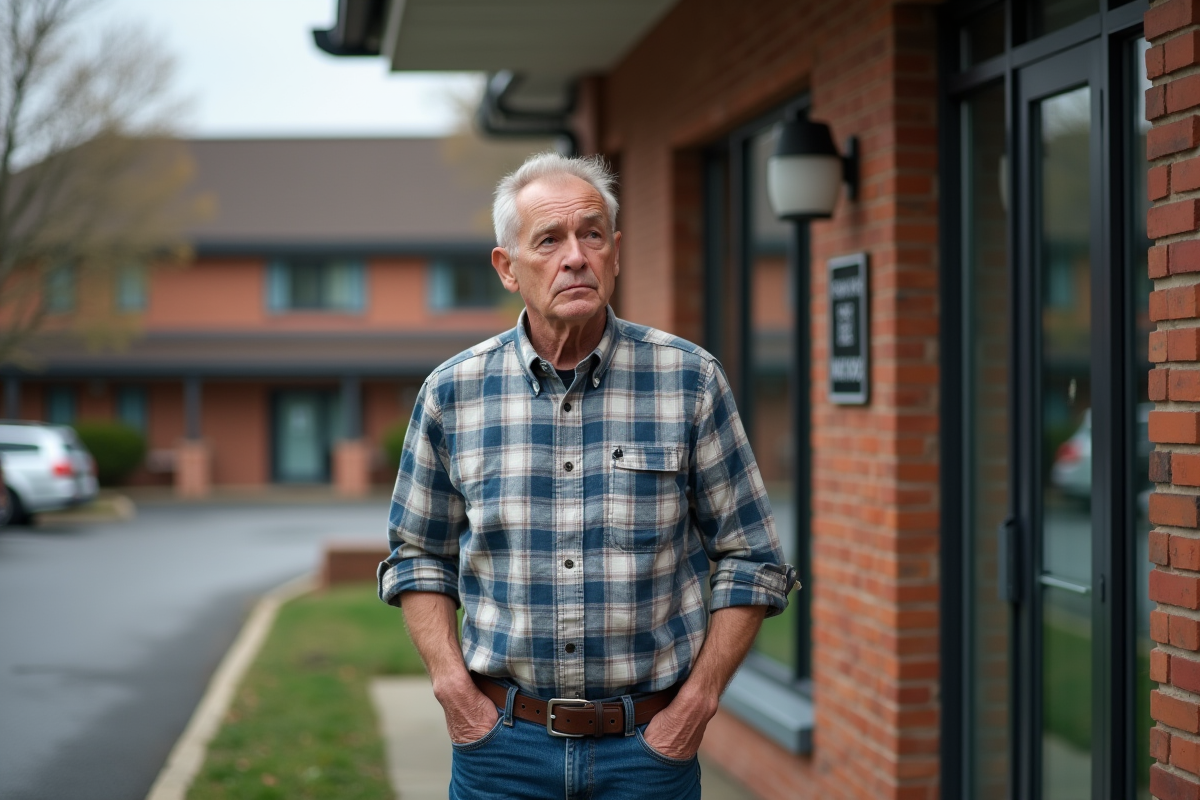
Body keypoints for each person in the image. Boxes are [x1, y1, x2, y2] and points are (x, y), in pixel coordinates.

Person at [379, 152, 797, 799]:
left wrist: (699, 703)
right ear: (506, 267)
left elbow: (753, 558)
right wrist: (453, 691)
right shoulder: (451, 394)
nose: (575, 255)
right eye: (548, 239)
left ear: (616, 252)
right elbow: (417, 556)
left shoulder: (690, 382)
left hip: (648, 755)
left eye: (592, 234)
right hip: (501, 753)